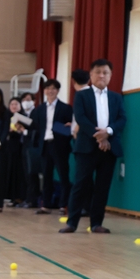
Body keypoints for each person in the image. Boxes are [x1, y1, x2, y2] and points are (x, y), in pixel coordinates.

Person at [60, 59, 127, 234]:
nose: (101, 75)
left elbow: (122, 119)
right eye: (98, 72)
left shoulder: (116, 97)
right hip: (86, 147)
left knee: (102, 187)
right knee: (80, 184)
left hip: (109, 148)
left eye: (105, 72)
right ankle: (72, 223)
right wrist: (99, 137)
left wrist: (108, 132)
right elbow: (81, 118)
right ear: (91, 75)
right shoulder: (82, 95)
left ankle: (96, 223)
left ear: (111, 76)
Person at [26, 79, 73, 215]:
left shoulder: (66, 108)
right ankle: (45, 205)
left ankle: (64, 205)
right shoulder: (39, 109)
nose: (50, 91)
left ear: (58, 91)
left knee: (63, 176)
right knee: (46, 176)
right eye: (47, 89)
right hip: (44, 145)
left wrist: (68, 127)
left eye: (53, 89)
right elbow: (33, 126)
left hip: (60, 146)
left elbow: (71, 127)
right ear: (44, 91)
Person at [64, 69, 92, 215]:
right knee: (85, 177)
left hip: (83, 141)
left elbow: (84, 116)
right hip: (85, 139)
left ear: (73, 82)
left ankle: (85, 206)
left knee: (82, 177)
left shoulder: (82, 94)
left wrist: (76, 130)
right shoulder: (90, 93)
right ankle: (87, 206)